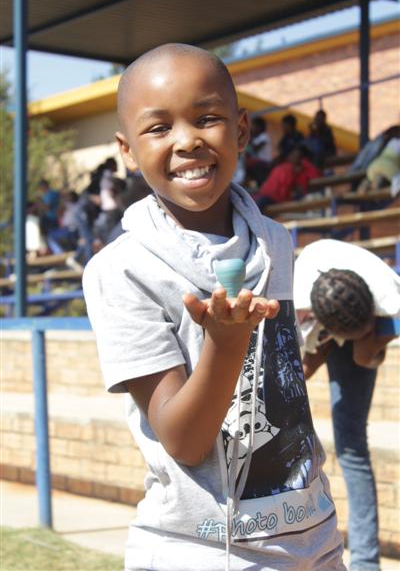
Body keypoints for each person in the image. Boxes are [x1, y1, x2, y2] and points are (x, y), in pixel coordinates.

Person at [83, 43, 345, 571]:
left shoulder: (275, 241)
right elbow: (184, 440)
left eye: (207, 118)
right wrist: (225, 345)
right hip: (203, 549)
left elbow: (277, 384)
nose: (187, 141)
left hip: (312, 539)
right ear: (127, 150)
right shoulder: (121, 270)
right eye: (159, 127)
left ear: (242, 130)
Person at [293, 239, 400, 571]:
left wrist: (369, 349)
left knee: (351, 446)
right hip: (323, 313)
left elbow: (368, 357)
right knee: (293, 393)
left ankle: (366, 564)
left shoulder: (390, 297)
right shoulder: (296, 305)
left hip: (367, 316)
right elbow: (302, 369)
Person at [254, 145, 320, 209]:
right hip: (271, 197)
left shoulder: (297, 168)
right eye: (293, 155)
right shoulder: (286, 168)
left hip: (269, 197)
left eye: (296, 156)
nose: (292, 157)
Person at [244, 116, 273, 187]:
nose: (252, 128)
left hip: (263, 162)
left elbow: (255, 150)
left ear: (259, 127)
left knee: (245, 163)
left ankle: (246, 182)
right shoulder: (257, 137)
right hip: (257, 161)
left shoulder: (264, 136)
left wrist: (249, 136)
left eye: (254, 126)